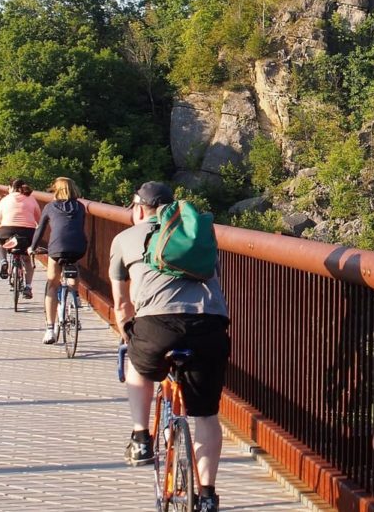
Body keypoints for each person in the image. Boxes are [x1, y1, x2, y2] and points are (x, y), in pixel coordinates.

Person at [111, 181, 229, 512]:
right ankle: (207, 496)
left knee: (137, 361)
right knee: (206, 414)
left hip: (156, 328)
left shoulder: (124, 239)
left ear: (137, 208)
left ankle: (140, 438)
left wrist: (127, 336)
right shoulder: (196, 235)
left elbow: (121, 305)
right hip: (208, 325)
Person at [31, 176, 88, 344]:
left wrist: (33, 247)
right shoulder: (80, 207)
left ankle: (50, 329)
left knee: (52, 283)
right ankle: (75, 295)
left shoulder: (50, 207)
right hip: (78, 247)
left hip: (57, 248)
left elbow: (40, 229)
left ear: (56, 190)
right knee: (73, 262)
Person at [0, 178, 40, 298]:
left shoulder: (5, 200)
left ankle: (3, 261)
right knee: (27, 258)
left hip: (7, 232)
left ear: (11, 188)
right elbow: (39, 220)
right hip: (27, 234)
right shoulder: (32, 199)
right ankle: (28, 287)